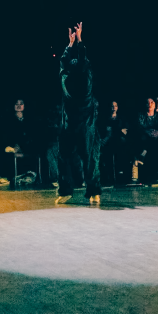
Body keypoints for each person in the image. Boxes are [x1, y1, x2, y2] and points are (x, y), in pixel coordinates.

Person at [55, 22, 102, 204]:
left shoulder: (65, 80)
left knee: (64, 157)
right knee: (89, 158)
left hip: (71, 126)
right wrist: (79, 40)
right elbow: (82, 62)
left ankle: (66, 191)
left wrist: (70, 43)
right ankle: (93, 192)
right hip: (84, 127)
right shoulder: (85, 82)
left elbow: (63, 62)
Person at [133, 97, 158, 184]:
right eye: (148, 103)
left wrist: (156, 133)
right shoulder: (141, 115)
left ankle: (145, 152)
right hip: (144, 138)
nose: (150, 105)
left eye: (152, 102)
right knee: (144, 138)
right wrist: (148, 131)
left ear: (155, 105)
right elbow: (139, 127)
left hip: (155, 140)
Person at [98, 100, 128, 185]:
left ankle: (120, 176)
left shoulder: (121, 119)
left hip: (118, 143)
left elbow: (124, 131)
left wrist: (113, 133)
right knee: (107, 158)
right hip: (107, 143)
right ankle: (108, 177)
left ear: (117, 108)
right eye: (112, 106)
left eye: (115, 106)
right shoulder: (104, 120)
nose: (113, 108)